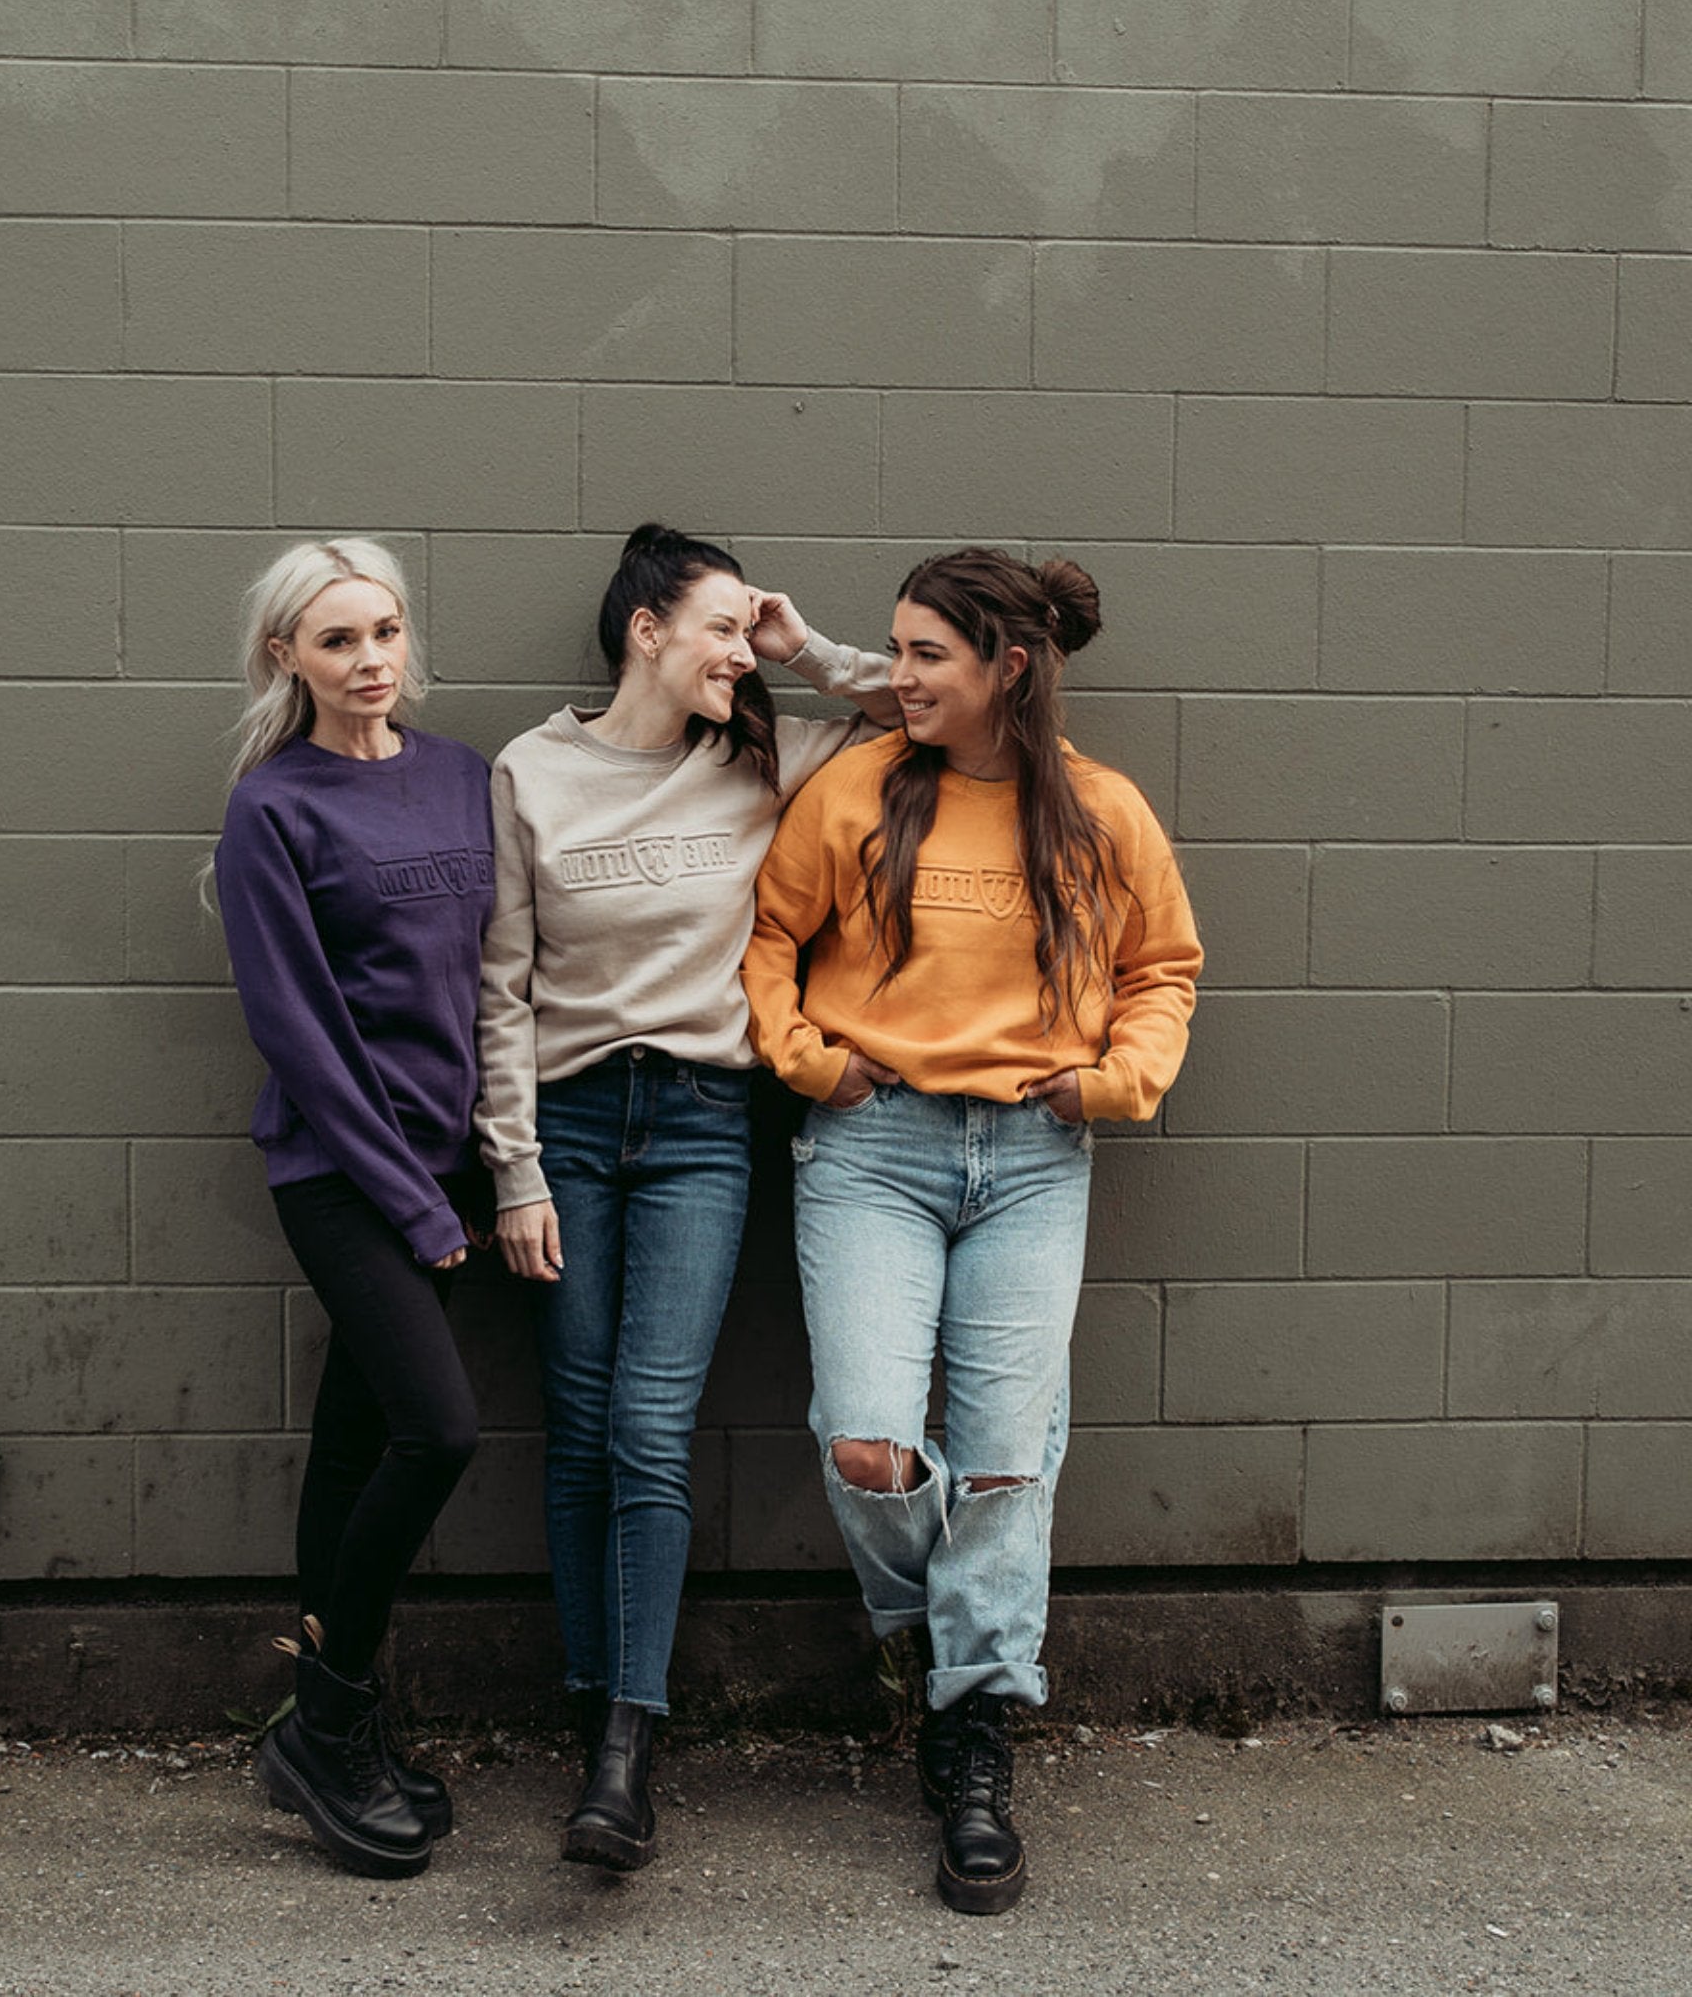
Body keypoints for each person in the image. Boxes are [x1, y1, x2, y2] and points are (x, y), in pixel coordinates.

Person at [741, 547, 1201, 1915]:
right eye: (893, 652)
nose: (899, 677)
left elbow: (1162, 968)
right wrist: (815, 1061)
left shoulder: (1103, 812)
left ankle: (974, 1737)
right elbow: (771, 939)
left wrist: (1115, 1082)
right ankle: (931, 1639)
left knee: (1003, 1464)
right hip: (874, 1150)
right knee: (870, 1447)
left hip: (1037, 1157)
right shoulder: (860, 790)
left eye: (926, 655)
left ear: (1006, 665)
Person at [475, 522, 898, 1870]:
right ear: (642, 630)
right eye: (715, 626)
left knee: (652, 1425)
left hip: (708, 1123)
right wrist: (514, 1166)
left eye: (742, 630)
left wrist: (801, 646)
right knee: (582, 1427)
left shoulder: (768, 760)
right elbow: (500, 987)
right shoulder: (530, 772)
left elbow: (933, 705)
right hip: (575, 1126)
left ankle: (623, 1755)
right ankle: (601, 1716)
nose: (735, 650)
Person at [211, 539, 493, 1881]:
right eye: (337, 641)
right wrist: (414, 1202)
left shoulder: (460, 779)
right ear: (288, 658)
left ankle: (317, 1731)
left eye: (384, 631)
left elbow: (496, 986)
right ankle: (331, 1727)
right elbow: (298, 1032)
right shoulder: (275, 809)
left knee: (351, 1443)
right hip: (341, 1174)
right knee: (437, 1433)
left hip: (450, 1165)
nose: (371, 659)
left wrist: (491, 1170)